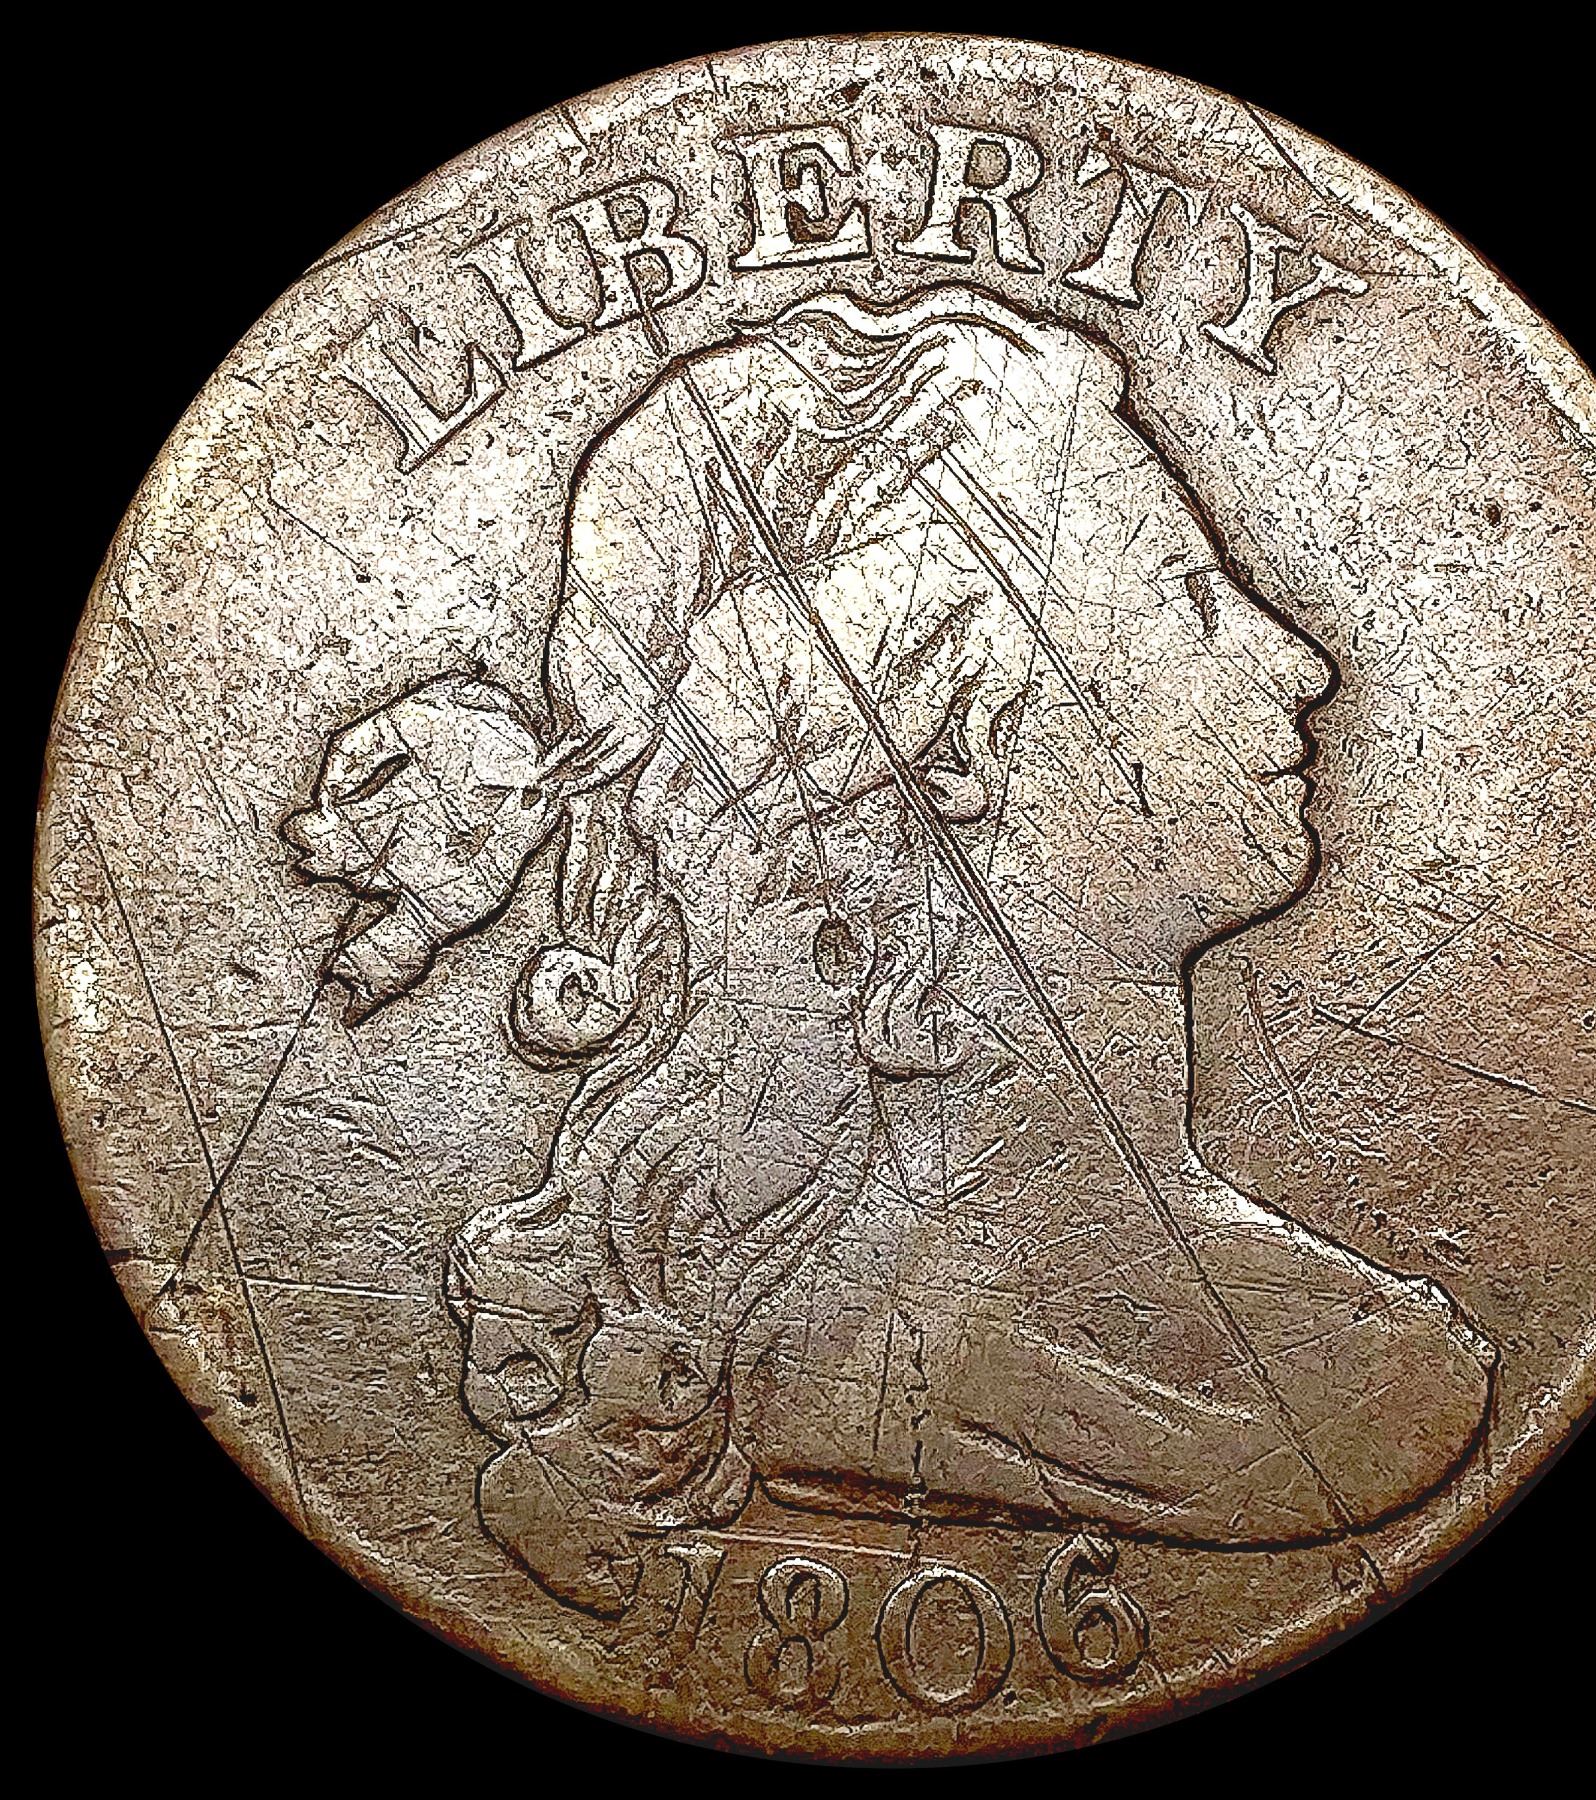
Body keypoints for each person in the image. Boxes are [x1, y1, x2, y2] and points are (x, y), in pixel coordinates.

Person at [287, 287, 1494, 1620]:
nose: (1304, 663)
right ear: (955, 745)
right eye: (1195, 600)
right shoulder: (1310, 1400)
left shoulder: (1315, 1340)